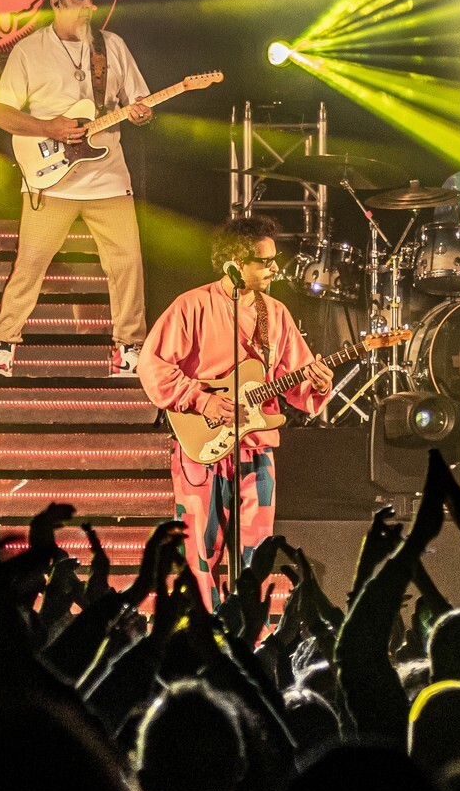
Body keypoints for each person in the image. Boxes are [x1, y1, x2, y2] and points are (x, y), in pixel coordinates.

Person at [136, 215, 332, 603]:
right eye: (265, 261)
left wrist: (319, 383)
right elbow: (152, 366)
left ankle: (248, 629)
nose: (275, 268)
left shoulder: (275, 313)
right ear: (235, 264)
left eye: (274, 260)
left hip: (256, 449)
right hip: (200, 450)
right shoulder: (191, 306)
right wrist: (202, 399)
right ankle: (203, 630)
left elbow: (297, 381)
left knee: (257, 554)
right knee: (200, 552)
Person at [0, 0, 153, 378]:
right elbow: (0, 114)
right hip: (51, 178)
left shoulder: (111, 46)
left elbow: (138, 102)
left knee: (128, 264)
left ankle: (129, 349)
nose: (90, 5)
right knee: (30, 264)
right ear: (55, 4)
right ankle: (2, 347)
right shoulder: (29, 50)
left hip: (109, 177)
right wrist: (49, 128)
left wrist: (143, 113)